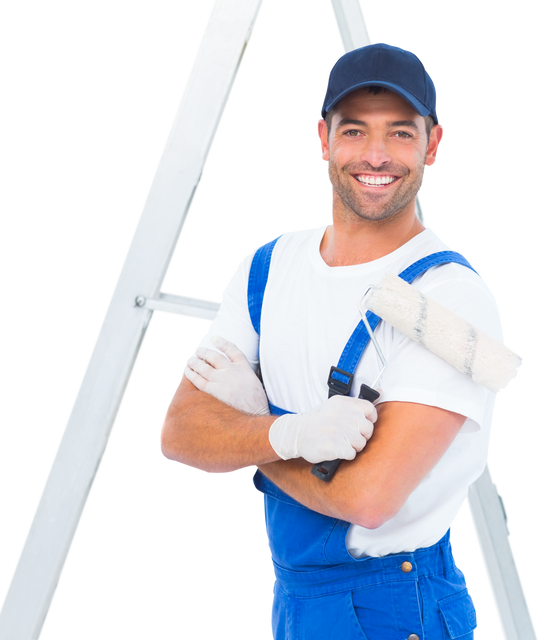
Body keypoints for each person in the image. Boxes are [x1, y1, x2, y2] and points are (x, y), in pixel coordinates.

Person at [158, 41, 503, 639]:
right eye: (354, 130)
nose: (376, 155)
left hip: (397, 607)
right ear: (322, 138)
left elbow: (370, 498)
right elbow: (180, 433)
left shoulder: (454, 300)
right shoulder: (269, 266)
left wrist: (252, 428)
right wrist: (291, 435)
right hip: (295, 597)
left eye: (400, 132)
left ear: (434, 145)